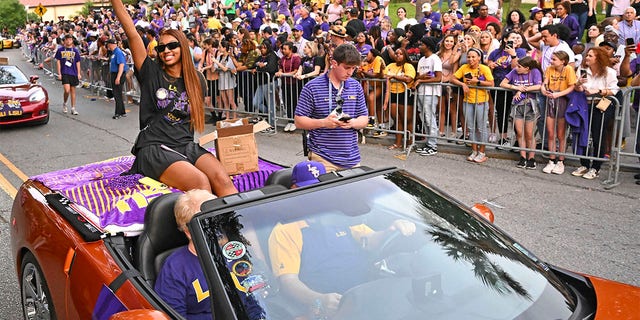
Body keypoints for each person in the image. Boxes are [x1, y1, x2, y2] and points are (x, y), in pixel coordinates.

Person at [111, 0, 238, 196]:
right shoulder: (150, 72)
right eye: (161, 48)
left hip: (186, 146)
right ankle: (203, 227)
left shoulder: (197, 80)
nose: (166, 50)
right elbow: (132, 34)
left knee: (222, 179)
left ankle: (236, 226)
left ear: (183, 46)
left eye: (172, 45)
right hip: (154, 147)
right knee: (200, 183)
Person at [268, 161, 417, 319]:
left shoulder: (341, 215)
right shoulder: (286, 229)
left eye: (320, 188)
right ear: (294, 190)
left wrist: (390, 230)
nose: (315, 193)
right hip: (327, 309)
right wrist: (319, 299)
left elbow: (369, 241)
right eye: (308, 188)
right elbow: (288, 282)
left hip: (362, 296)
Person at [155, 189, 266, 320]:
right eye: (210, 224)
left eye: (219, 220)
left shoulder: (234, 252)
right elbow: (172, 316)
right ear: (189, 232)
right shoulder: (175, 267)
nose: (219, 229)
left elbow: (255, 301)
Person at [295, 44, 369, 172]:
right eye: (346, 68)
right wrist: (324, 123)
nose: (350, 72)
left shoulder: (356, 86)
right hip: (323, 158)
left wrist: (353, 122)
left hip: (352, 159)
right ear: (334, 63)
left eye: (353, 68)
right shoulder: (312, 87)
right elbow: (299, 121)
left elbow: (364, 118)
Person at [572, 47, 619, 180]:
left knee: (598, 135)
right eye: (587, 55)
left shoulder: (609, 72)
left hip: (601, 105)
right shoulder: (582, 70)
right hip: (584, 105)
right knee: (583, 133)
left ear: (598, 58)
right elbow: (578, 88)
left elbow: (614, 90)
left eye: (590, 56)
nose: (587, 58)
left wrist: (598, 90)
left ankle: (596, 167)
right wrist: (578, 84)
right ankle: (584, 164)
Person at [449, 48, 494, 163]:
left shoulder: (484, 68)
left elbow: (491, 84)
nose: (471, 59)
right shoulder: (464, 68)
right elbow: (452, 78)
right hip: (467, 101)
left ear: (479, 58)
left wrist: (477, 82)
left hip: (481, 101)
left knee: (481, 127)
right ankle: (474, 151)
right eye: (469, 57)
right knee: (471, 127)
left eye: (473, 57)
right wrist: (463, 84)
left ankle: (482, 152)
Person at [500, 57, 543, 169]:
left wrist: (522, 90)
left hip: (530, 105)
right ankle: (523, 157)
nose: (516, 68)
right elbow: (502, 83)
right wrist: (515, 87)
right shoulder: (514, 71)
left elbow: (538, 86)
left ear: (527, 68)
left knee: (529, 134)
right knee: (519, 133)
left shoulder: (535, 72)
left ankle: (531, 158)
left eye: (519, 66)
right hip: (517, 105)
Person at [541, 51, 576, 174]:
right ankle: (551, 160)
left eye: (554, 59)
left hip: (562, 100)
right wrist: (543, 88)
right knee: (551, 133)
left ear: (563, 61)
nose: (551, 61)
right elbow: (545, 81)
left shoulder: (568, 70)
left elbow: (572, 86)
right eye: (551, 58)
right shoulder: (550, 69)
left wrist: (558, 94)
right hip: (551, 99)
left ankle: (561, 161)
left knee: (561, 134)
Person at [383, 47, 416, 151]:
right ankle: (398, 143)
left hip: (405, 93)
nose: (398, 55)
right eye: (396, 53)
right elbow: (384, 75)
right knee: (396, 119)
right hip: (393, 93)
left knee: (407, 119)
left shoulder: (408, 66)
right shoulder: (390, 65)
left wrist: (393, 76)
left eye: (400, 54)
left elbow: (408, 79)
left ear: (405, 55)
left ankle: (410, 142)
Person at [414, 37, 443, 156]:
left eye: (422, 45)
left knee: (429, 117)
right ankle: (428, 141)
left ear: (428, 46)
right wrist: (421, 78)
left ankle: (433, 145)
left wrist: (421, 81)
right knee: (424, 117)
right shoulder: (421, 60)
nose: (420, 46)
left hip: (431, 93)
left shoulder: (434, 59)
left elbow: (438, 77)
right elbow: (417, 77)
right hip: (421, 92)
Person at [55, 34, 82, 115]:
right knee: (67, 90)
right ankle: (65, 103)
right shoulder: (60, 50)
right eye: (67, 39)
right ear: (64, 40)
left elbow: (78, 62)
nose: (68, 41)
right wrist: (59, 73)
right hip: (65, 72)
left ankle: (73, 108)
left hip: (73, 72)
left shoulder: (75, 51)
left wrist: (79, 73)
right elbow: (58, 62)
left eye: (70, 39)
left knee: (73, 90)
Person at [106, 38, 128, 119]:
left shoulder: (118, 52)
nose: (108, 46)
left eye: (108, 44)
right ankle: (122, 111)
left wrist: (118, 77)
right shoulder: (114, 53)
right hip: (114, 73)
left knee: (117, 94)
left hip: (118, 74)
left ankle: (118, 113)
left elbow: (121, 65)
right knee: (117, 93)